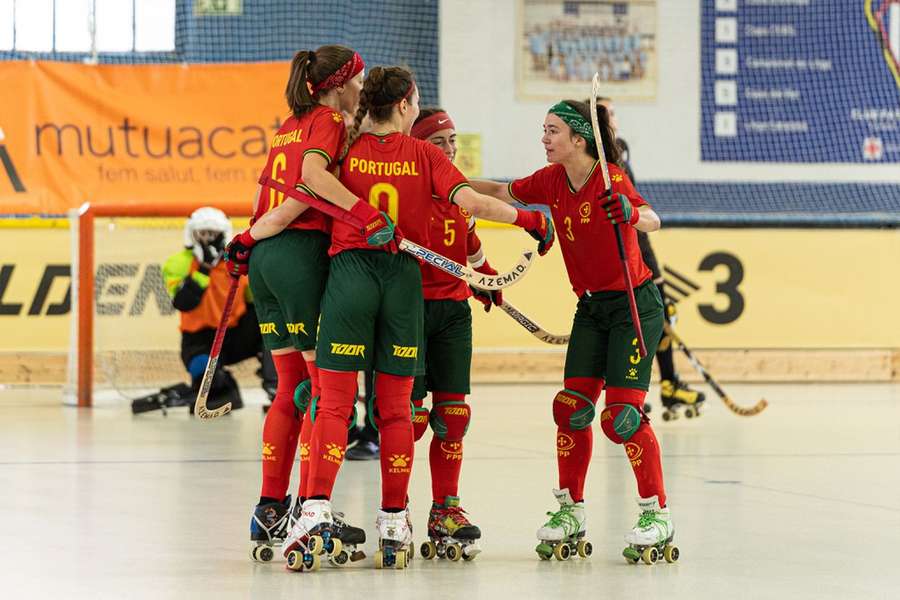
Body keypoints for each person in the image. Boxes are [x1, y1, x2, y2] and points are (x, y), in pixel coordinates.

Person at [289, 66, 554, 569]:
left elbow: (307, 180)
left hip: (350, 274)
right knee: (395, 409)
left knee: (335, 405)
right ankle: (394, 522)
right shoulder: (426, 155)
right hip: (403, 281)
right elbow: (476, 201)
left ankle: (314, 513)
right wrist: (531, 220)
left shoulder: (343, 148)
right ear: (408, 105)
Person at [471, 99, 676, 562]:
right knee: (571, 409)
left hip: (632, 307)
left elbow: (652, 219)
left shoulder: (611, 180)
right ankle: (570, 510)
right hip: (591, 309)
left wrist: (628, 211)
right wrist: (448, 182)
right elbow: (502, 192)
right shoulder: (549, 179)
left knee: (621, 417)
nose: (544, 138)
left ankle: (656, 513)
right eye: (544, 130)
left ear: (578, 139)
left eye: (553, 131)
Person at [222, 45, 372, 564]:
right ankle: (313, 511)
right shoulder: (330, 118)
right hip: (301, 254)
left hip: (266, 262)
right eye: (359, 79)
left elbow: (268, 196)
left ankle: (269, 509)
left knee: (290, 388)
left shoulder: (290, 123)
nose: (362, 88)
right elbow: (308, 188)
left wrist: (249, 237)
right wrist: (363, 212)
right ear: (341, 82)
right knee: (320, 389)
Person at [407, 107, 495, 561]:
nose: (449, 149)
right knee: (409, 419)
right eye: (439, 142)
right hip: (410, 312)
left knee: (454, 416)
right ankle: (395, 508)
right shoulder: (410, 189)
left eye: (453, 140)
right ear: (420, 146)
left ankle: (445, 509)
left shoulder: (459, 193)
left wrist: (487, 278)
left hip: (454, 313)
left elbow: (472, 244)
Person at [598, 97, 704, 416]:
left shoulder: (619, 161)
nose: (613, 120)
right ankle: (625, 388)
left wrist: (654, 270)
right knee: (628, 325)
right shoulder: (604, 168)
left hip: (637, 259)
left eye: (614, 113)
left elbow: (640, 221)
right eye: (606, 115)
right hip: (620, 265)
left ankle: (667, 383)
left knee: (657, 320)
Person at [156, 206, 275, 415]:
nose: (208, 240)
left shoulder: (237, 264)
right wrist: (204, 269)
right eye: (203, 234)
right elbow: (184, 302)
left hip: (234, 335)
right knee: (208, 382)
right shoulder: (178, 263)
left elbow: (255, 304)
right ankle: (222, 383)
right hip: (199, 339)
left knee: (270, 325)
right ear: (192, 235)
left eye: (214, 234)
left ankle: (276, 386)